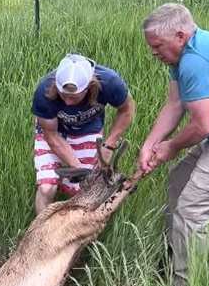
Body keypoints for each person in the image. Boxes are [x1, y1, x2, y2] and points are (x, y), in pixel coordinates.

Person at [137, 3, 209, 286]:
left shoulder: (195, 61)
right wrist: (150, 144)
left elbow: (203, 125)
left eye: (157, 45)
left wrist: (172, 146)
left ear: (179, 35)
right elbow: (175, 104)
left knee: (191, 211)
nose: (153, 52)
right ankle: (174, 259)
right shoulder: (183, 55)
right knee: (179, 180)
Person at [32, 53, 136, 213]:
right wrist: (77, 167)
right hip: (54, 133)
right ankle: (41, 233)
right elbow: (51, 135)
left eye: (74, 97)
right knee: (47, 188)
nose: (67, 102)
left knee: (85, 189)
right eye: (63, 95)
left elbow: (127, 110)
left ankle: (74, 230)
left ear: (89, 86)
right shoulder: (45, 89)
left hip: (87, 130)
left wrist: (109, 145)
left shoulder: (109, 82)